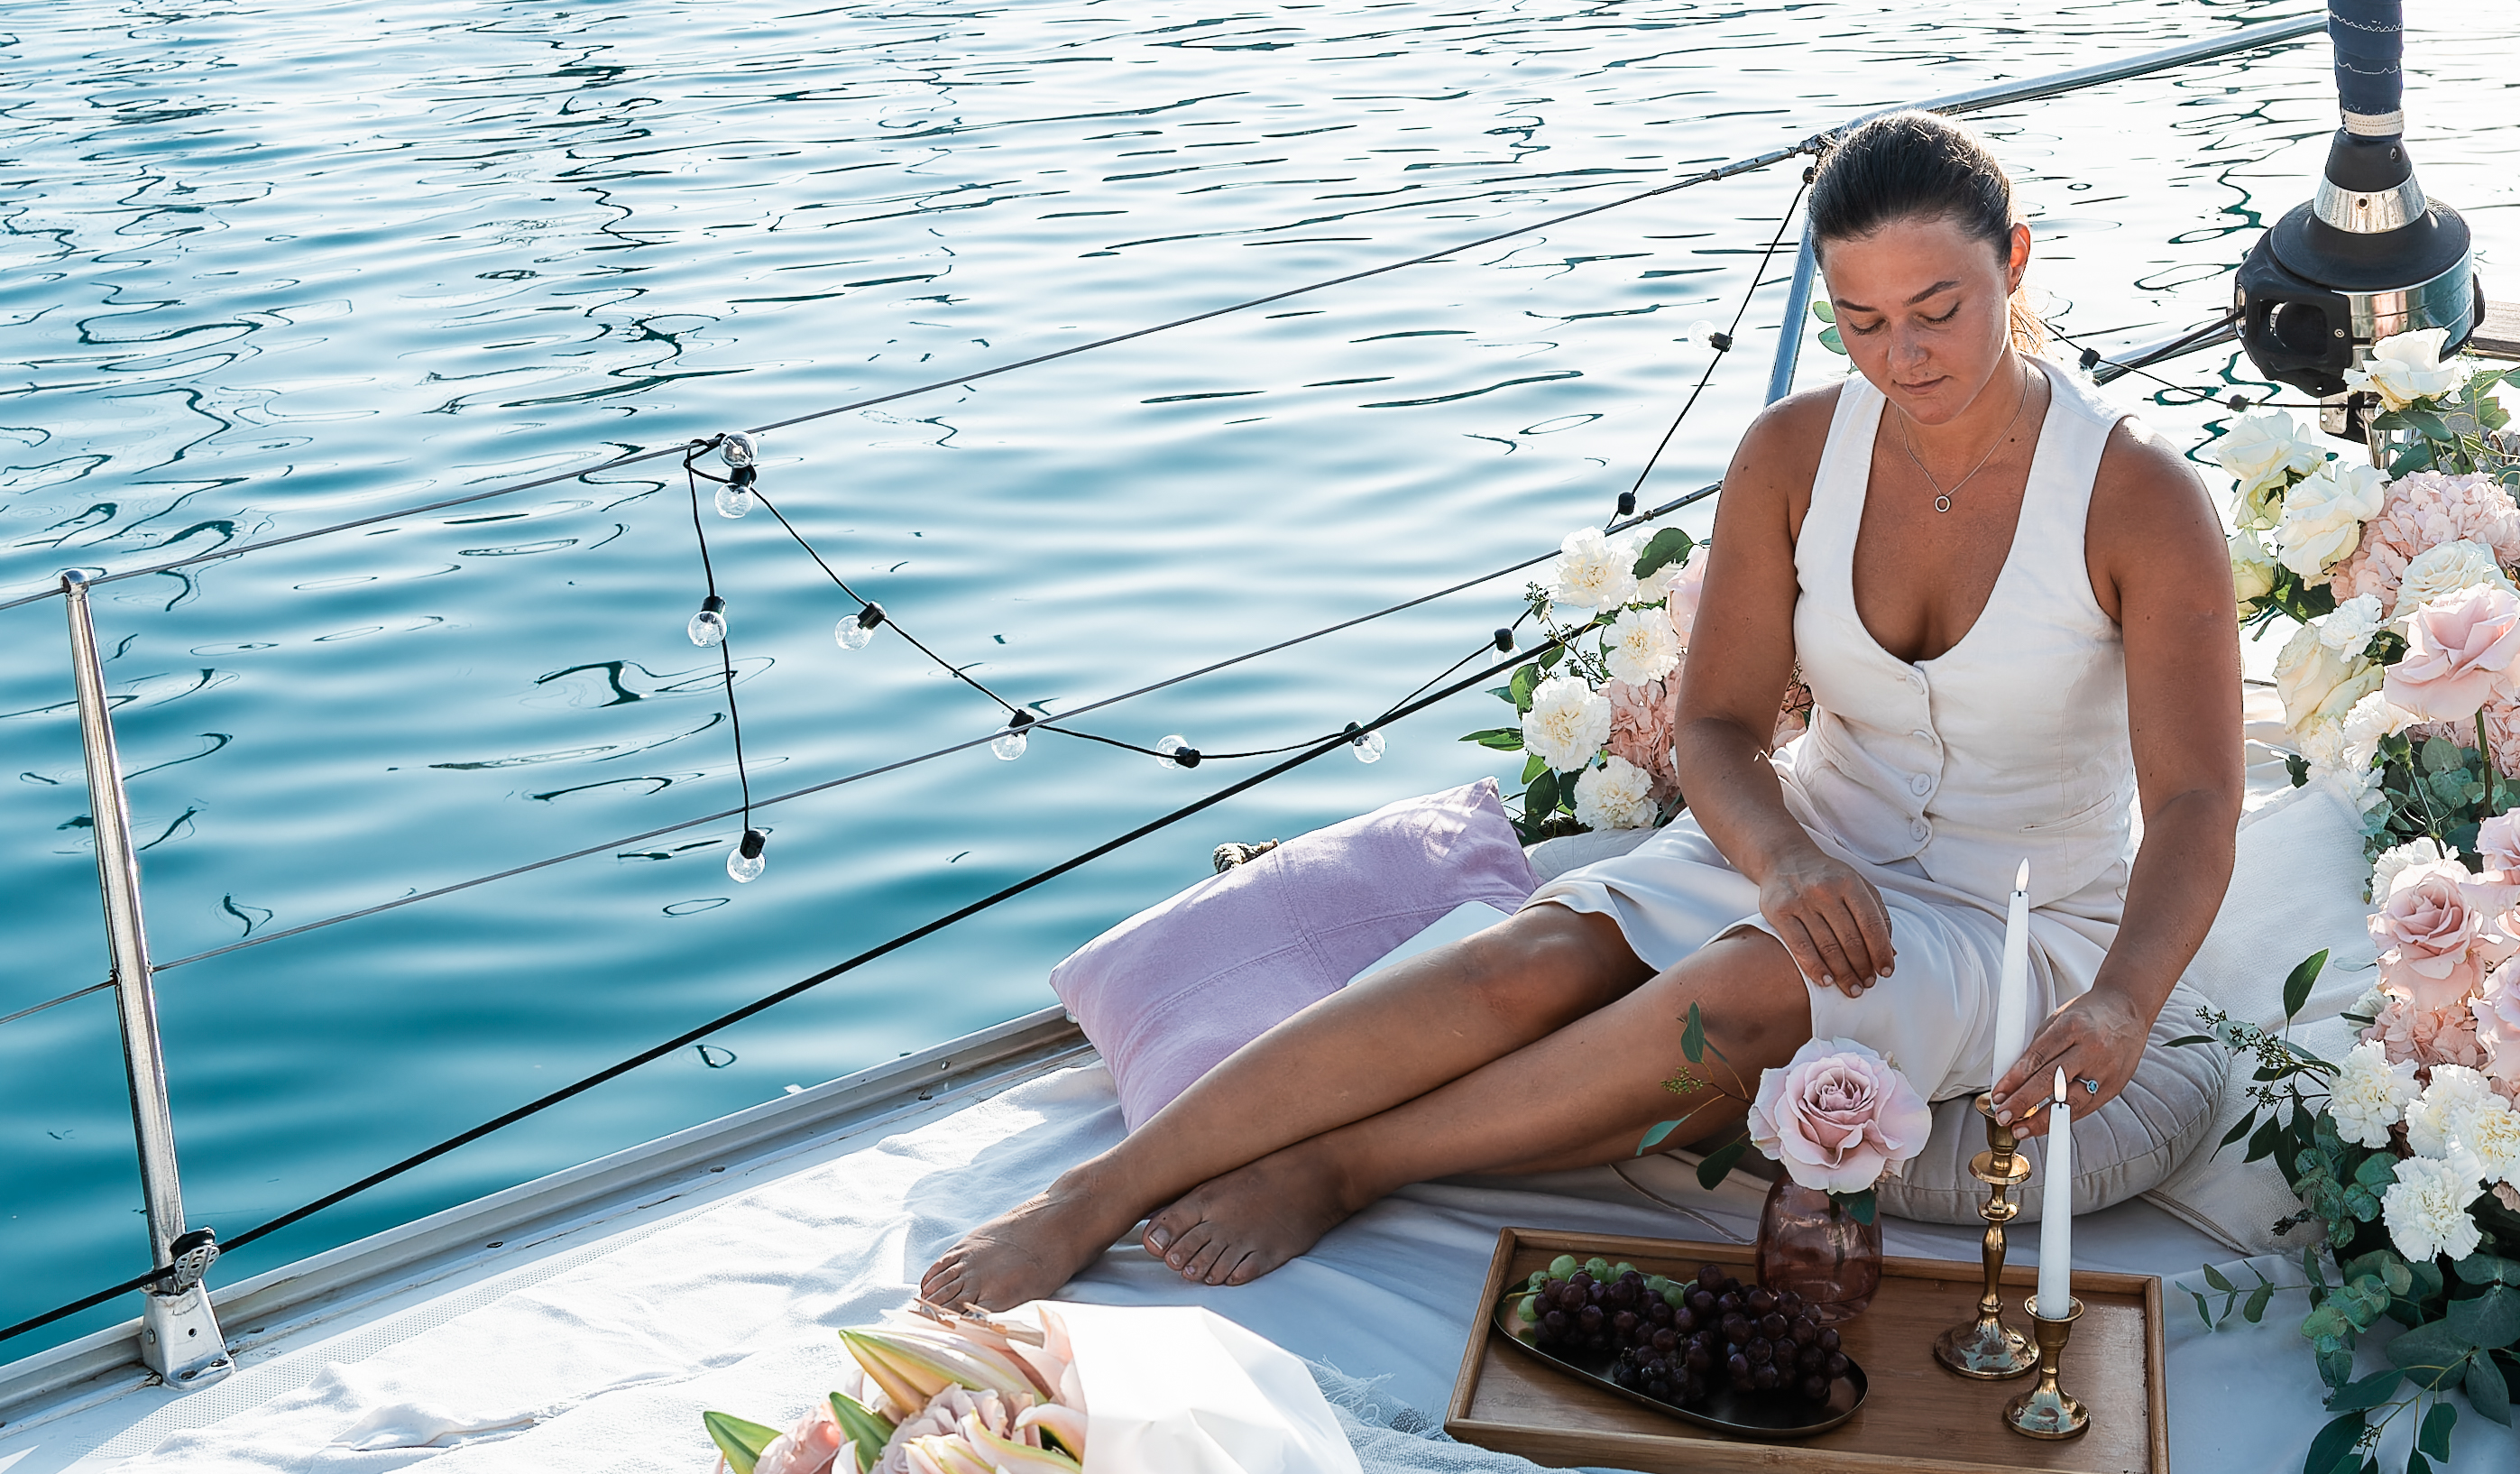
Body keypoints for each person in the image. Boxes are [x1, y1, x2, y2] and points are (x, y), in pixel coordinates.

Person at [921, 111, 2246, 1304]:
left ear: (2015, 262)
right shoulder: (1793, 453)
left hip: (2010, 919)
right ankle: (1090, 1194)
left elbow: (2197, 795)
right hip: (1808, 852)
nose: (1899, 356)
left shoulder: (2136, 495)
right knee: (1524, 962)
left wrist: (2127, 998)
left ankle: (1346, 1164)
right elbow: (1718, 728)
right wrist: (1781, 858)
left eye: (1938, 309)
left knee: (1736, 989)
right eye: (1859, 319)